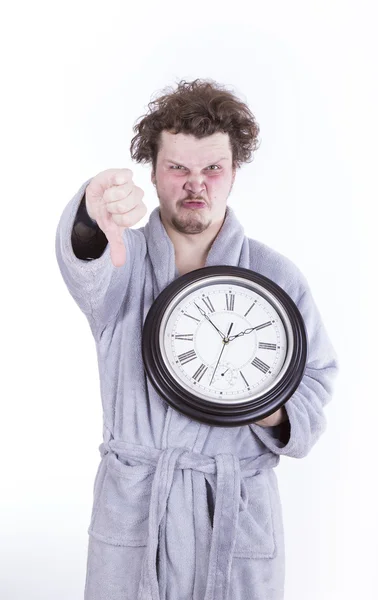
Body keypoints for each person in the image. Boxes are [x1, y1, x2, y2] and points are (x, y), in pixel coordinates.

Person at [55, 78, 339, 600]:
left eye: (213, 168)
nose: (196, 184)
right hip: (139, 509)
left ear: (233, 172)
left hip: (233, 510)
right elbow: (86, 265)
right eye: (178, 168)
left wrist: (270, 409)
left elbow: (317, 379)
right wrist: (90, 222)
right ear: (154, 171)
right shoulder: (126, 263)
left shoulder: (277, 275)